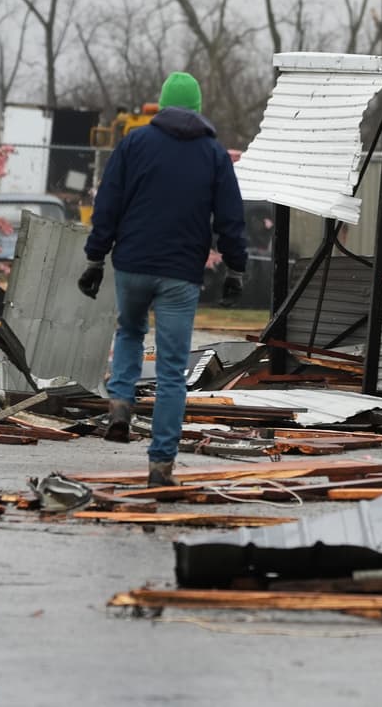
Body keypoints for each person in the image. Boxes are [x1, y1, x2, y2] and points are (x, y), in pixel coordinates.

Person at [78, 71, 248, 486]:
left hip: (133, 265)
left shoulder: (134, 143)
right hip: (180, 275)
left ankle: (120, 401)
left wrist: (96, 257)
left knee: (130, 330)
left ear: (162, 102)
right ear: (198, 107)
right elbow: (230, 216)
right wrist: (236, 267)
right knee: (172, 371)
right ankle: (160, 465)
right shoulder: (213, 154)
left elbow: (108, 202)